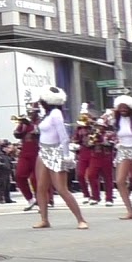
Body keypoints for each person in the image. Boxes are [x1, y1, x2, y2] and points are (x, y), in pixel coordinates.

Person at [32, 87, 87, 229]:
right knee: (41, 187)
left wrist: (66, 155)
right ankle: (44, 219)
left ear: (47, 101)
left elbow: (63, 136)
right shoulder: (47, 115)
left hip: (56, 152)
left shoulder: (56, 114)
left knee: (61, 188)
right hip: (43, 151)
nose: (39, 103)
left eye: (41, 100)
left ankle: (81, 219)